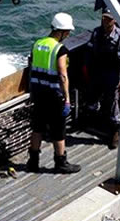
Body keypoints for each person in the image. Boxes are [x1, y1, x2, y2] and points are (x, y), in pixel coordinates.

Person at [26, 13, 81, 175]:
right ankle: (60, 163)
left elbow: (31, 68)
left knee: (37, 128)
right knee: (58, 131)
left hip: (38, 94)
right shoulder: (59, 49)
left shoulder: (37, 44)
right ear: (62, 32)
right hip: (54, 96)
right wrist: (67, 100)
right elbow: (63, 75)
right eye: (68, 32)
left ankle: (33, 162)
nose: (68, 35)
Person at [86, 10, 120, 150]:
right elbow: (90, 51)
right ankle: (93, 121)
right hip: (97, 71)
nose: (106, 21)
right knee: (93, 97)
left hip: (112, 74)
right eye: (104, 18)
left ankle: (115, 131)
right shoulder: (96, 32)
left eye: (109, 19)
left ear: (114, 21)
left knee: (112, 101)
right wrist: (87, 67)